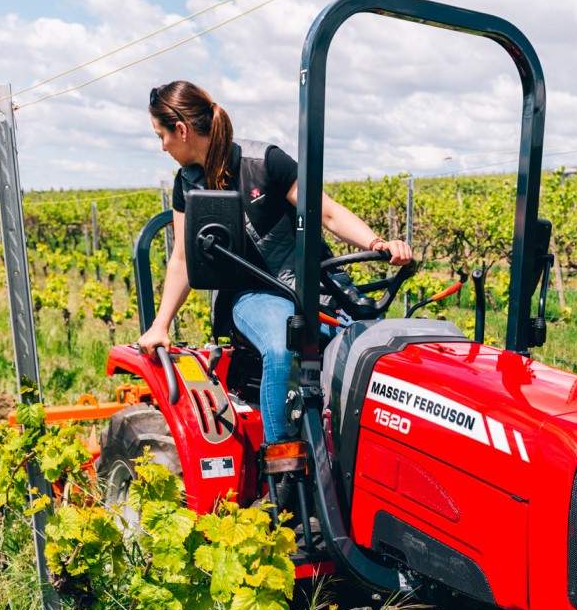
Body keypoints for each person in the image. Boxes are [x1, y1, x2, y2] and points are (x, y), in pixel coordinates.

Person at [136, 80, 412, 446]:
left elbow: (327, 213)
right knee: (282, 347)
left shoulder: (265, 162)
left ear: (182, 130)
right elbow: (184, 258)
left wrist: (377, 242)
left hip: (313, 285)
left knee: (379, 348)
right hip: (250, 293)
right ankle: (282, 468)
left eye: (162, 136)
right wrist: (160, 324)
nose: (163, 146)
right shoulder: (187, 185)